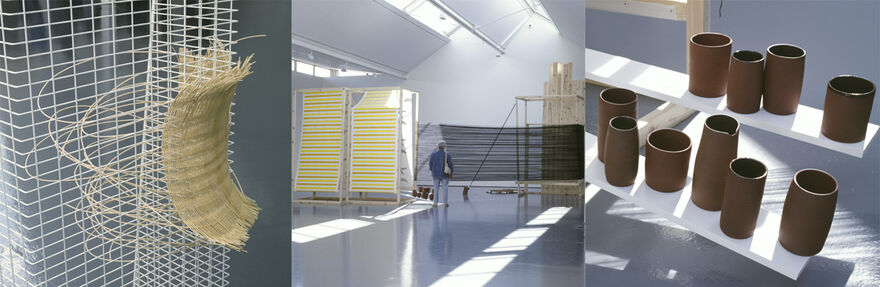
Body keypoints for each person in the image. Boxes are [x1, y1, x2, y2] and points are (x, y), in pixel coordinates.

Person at [428, 141, 454, 207]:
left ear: (438, 146)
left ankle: (435, 203)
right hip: (445, 174)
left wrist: (432, 170)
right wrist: (451, 173)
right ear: (444, 147)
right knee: (445, 188)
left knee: (436, 189)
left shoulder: (433, 155)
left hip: (435, 174)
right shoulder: (447, 155)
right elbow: (451, 165)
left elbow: (430, 164)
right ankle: (445, 203)